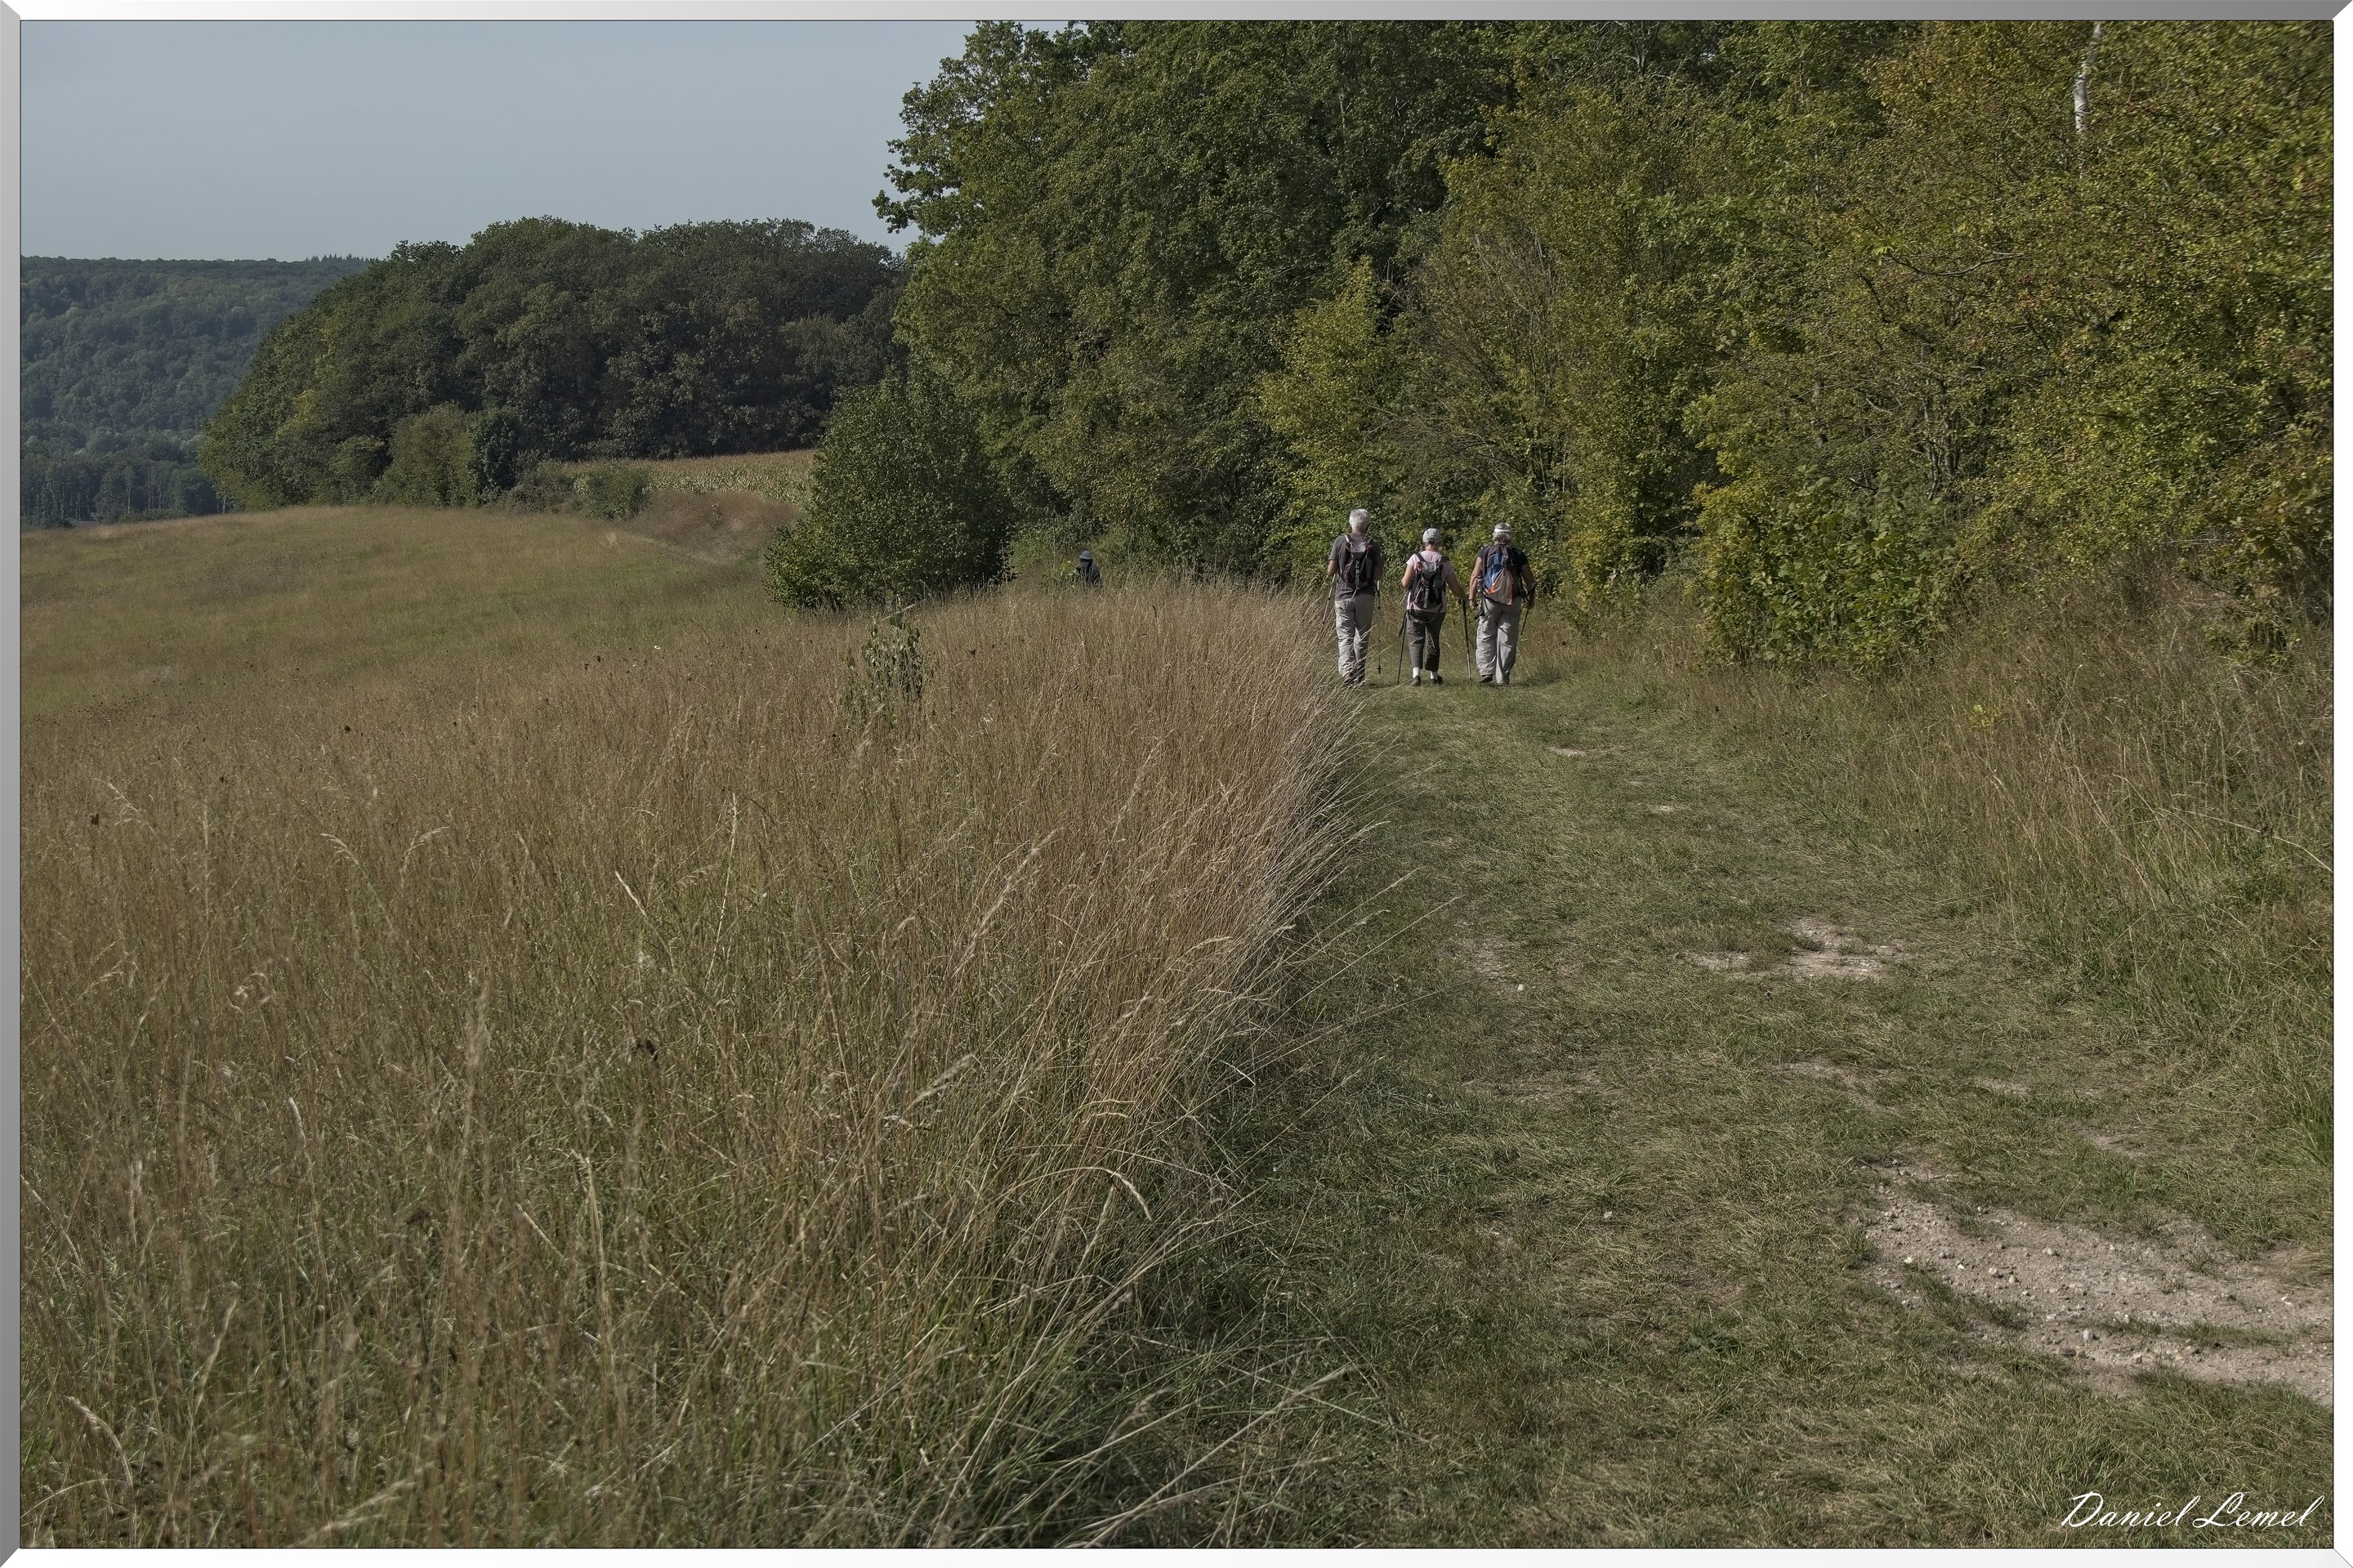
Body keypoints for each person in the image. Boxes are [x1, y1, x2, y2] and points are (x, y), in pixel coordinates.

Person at [1400, 527, 1467, 686]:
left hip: (1415, 607)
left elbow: (1405, 583)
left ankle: (1416, 675)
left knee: (1416, 639)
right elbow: (1455, 588)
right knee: (1433, 639)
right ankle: (1434, 676)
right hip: (1438, 609)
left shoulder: (1415, 558)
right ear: (1439, 543)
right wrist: (1465, 597)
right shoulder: (1444, 561)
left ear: (1424, 542)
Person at [1471, 522, 1536, 686]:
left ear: (1495, 536)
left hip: (1489, 599)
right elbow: (1530, 580)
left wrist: (1471, 598)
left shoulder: (1485, 552)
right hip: (1512, 600)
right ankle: (1503, 677)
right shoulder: (1518, 554)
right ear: (1510, 536)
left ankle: (1486, 671)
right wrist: (1531, 599)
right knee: (1507, 639)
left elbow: (1475, 575)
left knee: (1485, 634)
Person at [1325, 507, 1384, 686]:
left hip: (1343, 595)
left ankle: (1348, 672)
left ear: (1351, 523)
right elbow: (1377, 575)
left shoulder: (1340, 541)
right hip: (1366, 595)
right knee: (1362, 635)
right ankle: (1359, 674)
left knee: (1345, 636)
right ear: (1367, 525)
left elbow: (1331, 571)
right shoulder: (1373, 543)